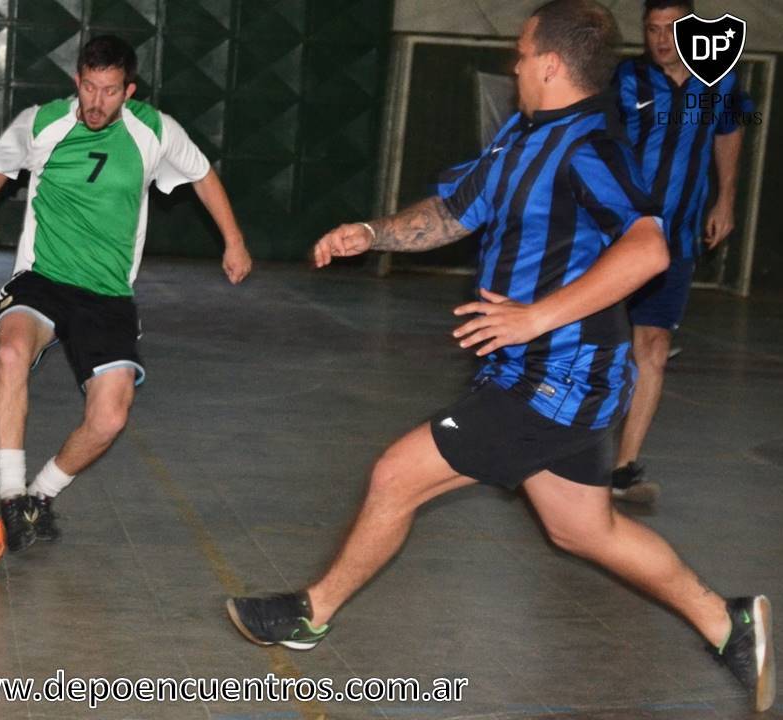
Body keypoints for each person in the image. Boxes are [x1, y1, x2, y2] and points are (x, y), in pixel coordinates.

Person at [226, 1, 774, 712]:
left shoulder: (591, 146)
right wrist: (371, 232)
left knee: (397, 475)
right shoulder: (522, 133)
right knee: (583, 529)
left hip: (559, 375)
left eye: (521, 53)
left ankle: (311, 611)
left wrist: (536, 317)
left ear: (550, 64)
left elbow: (649, 248)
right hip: (538, 372)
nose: (514, 65)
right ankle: (729, 626)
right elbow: (454, 212)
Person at [0, 35, 252, 553]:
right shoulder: (42, 122)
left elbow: (203, 176)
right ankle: (10, 495)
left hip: (106, 294)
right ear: (77, 81)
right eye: (90, 88)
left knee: (110, 418)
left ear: (129, 90)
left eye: (111, 91)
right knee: (10, 352)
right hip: (42, 278)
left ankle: (40, 497)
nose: (97, 102)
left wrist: (233, 241)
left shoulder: (155, 131)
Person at [610, 0, 752, 503]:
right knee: (590, 346)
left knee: (652, 348)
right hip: (617, 237)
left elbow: (729, 132)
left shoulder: (720, 81)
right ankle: (550, 453)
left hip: (677, 239)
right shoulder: (625, 79)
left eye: (671, 29)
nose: (660, 39)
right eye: (652, 29)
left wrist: (725, 199)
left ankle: (623, 470)